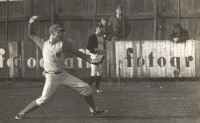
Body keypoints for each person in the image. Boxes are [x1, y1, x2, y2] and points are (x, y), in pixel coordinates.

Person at [15, 16, 108, 119]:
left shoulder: (62, 45)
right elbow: (31, 34)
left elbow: (76, 52)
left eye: (61, 32)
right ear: (52, 32)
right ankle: (22, 113)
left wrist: (89, 59)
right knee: (43, 99)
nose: (61, 34)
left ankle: (94, 111)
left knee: (86, 88)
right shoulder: (43, 43)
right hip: (51, 77)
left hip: (63, 75)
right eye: (59, 32)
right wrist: (31, 23)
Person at [87, 23, 106, 93]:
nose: (101, 29)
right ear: (97, 28)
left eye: (102, 28)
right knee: (93, 72)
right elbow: (88, 46)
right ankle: (87, 88)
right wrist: (95, 49)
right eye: (100, 28)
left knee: (100, 72)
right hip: (94, 56)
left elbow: (103, 46)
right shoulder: (92, 36)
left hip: (100, 56)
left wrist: (104, 50)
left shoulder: (102, 37)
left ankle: (96, 88)